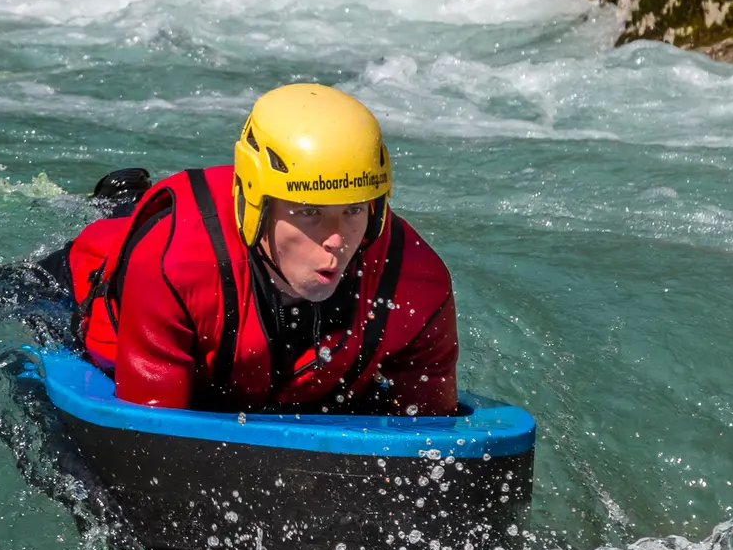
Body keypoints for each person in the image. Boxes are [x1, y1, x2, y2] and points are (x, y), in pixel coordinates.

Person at [67, 84, 458, 416]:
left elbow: (432, 439)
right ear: (257, 205)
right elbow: (153, 440)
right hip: (86, 276)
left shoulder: (416, 281)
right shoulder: (176, 264)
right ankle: (121, 199)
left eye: (354, 210)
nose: (337, 239)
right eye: (309, 212)